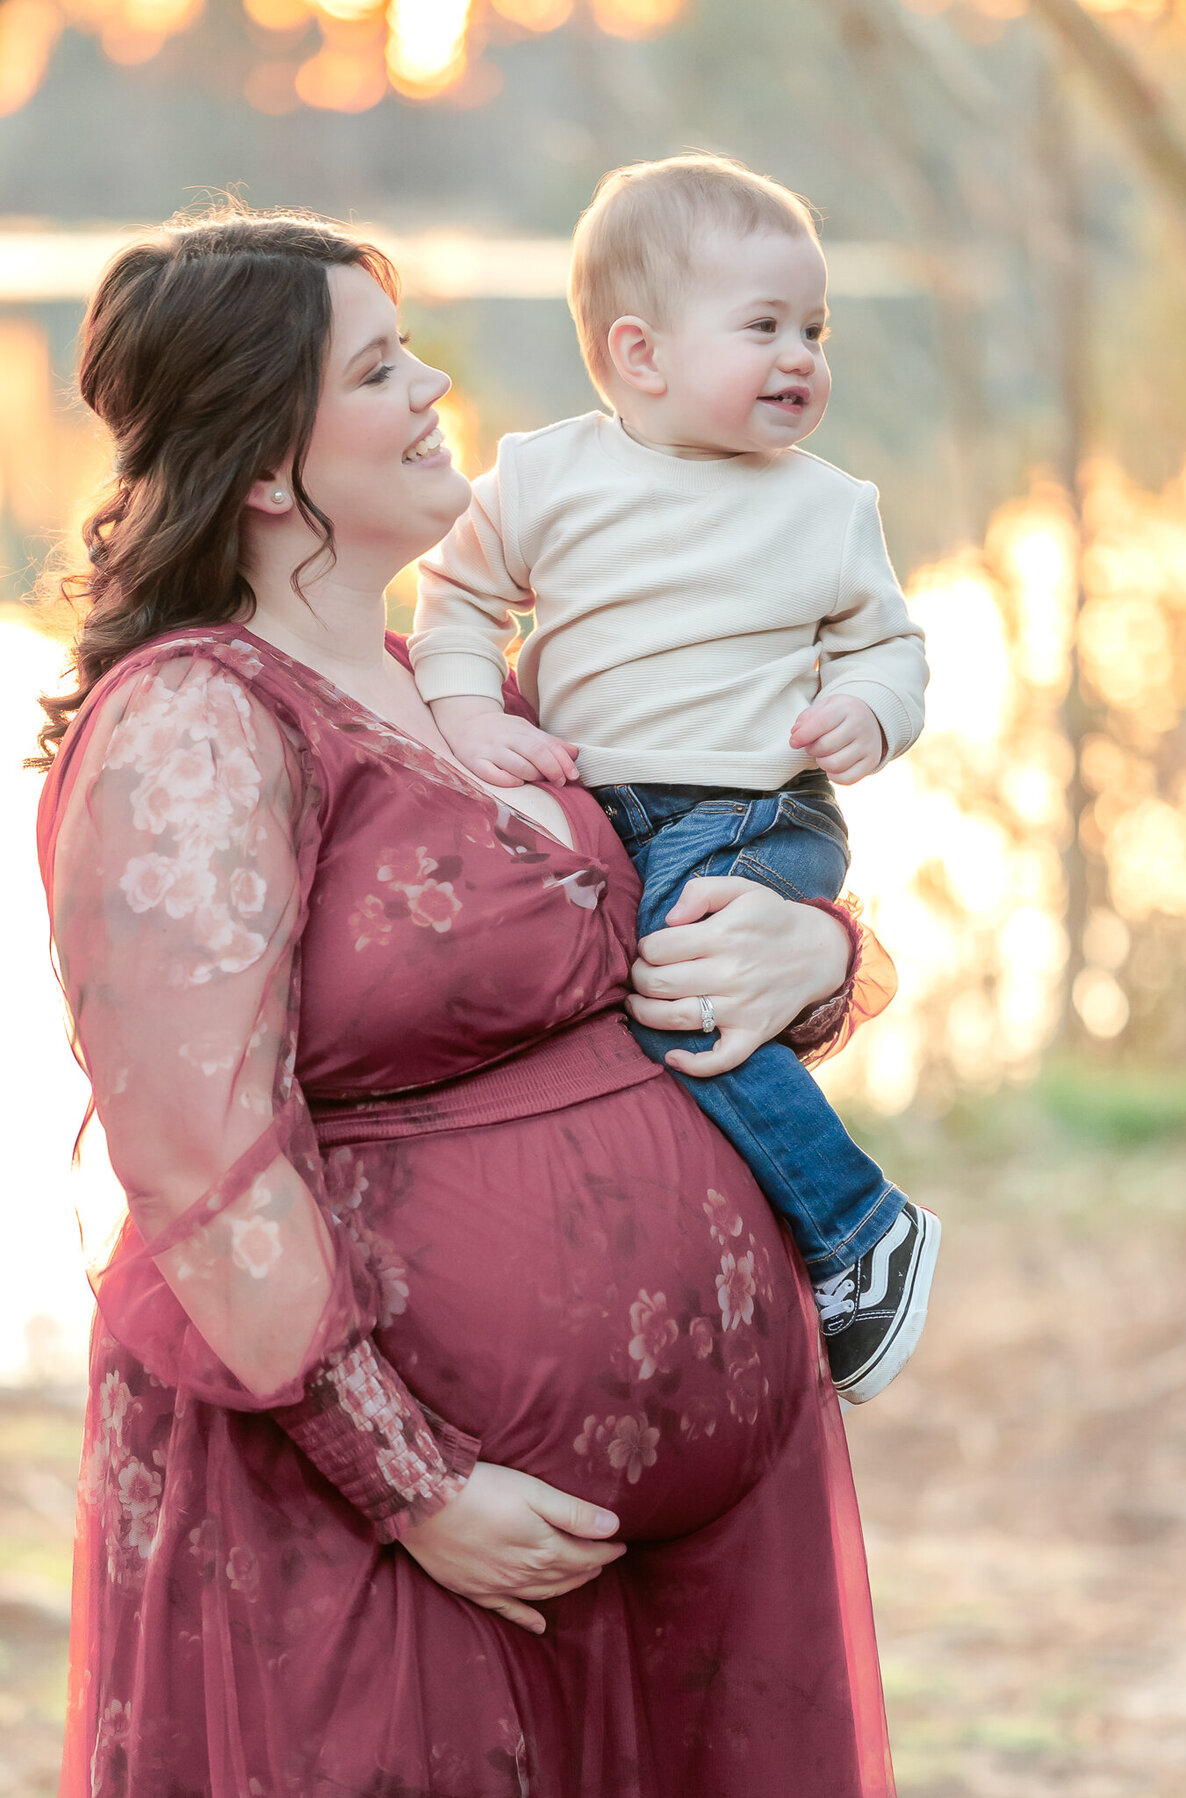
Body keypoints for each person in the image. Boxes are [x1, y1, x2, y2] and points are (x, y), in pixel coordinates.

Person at [35, 204, 896, 1797]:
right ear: (273, 464)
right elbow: (203, 1162)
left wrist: (826, 957)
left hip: (695, 1530)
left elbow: (687, 911)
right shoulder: (199, 721)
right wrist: (415, 1483)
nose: (435, 383)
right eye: (379, 363)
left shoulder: (485, 692)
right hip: (398, 1536)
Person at [410, 153, 939, 1405]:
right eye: (764, 327)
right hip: (611, 807)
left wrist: (873, 706)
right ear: (640, 355)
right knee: (631, 987)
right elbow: (456, 598)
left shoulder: (829, 505)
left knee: (678, 984)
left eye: (814, 327)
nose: (802, 354)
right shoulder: (544, 476)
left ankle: (861, 1229)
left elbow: (891, 642)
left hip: (760, 811)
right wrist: (465, 711)